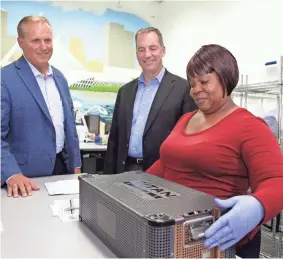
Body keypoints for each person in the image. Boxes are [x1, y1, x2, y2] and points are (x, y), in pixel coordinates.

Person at [146, 44, 283, 258]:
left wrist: (258, 205)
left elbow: (276, 180)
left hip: (215, 240)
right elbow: (168, 163)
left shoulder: (250, 126)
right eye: (192, 84)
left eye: (204, 82)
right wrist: (134, 184)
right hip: (171, 233)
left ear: (225, 78)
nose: (195, 90)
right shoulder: (186, 119)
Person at [1, 16, 81, 198]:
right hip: (24, 179)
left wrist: (76, 165)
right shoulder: (5, 79)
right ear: (20, 42)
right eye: (36, 40)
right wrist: (11, 174)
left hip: (63, 172)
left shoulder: (60, 78)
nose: (44, 47)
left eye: (48, 40)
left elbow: (70, 129)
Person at [103, 27, 197, 174]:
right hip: (124, 171)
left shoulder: (183, 89)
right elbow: (114, 140)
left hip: (163, 175)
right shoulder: (125, 92)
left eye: (153, 48)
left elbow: (188, 142)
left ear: (163, 50)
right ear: (136, 53)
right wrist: (108, 177)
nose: (147, 54)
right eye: (141, 49)